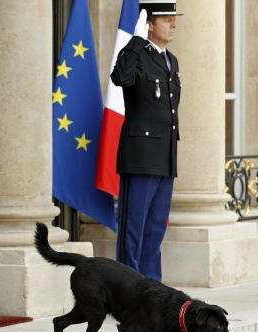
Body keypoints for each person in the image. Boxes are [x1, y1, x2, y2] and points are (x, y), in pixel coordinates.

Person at [111, 1, 182, 282]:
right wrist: (136, 41)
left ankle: (152, 290)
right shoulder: (136, 54)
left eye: (174, 19)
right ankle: (127, 290)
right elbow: (121, 77)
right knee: (133, 230)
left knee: (155, 230)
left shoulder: (170, 60)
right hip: (140, 156)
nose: (173, 24)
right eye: (166, 19)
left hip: (165, 155)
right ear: (148, 24)